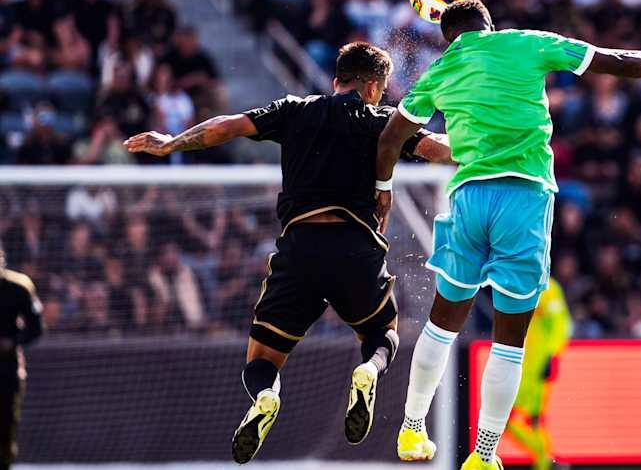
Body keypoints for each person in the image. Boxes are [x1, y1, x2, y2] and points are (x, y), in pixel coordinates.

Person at [375, 0, 641, 470]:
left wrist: (382, 189)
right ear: (489, 26)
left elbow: (391, 138)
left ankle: (412, 428)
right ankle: (485, 454)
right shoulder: (526, 43)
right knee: (509, 340)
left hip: (468, 198)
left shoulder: (438, 71)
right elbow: (613, 61)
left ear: (447, 37)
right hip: (525, 198)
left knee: (441, 324)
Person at [124, 42, 451, 463]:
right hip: (357, 247)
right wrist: (490, 142)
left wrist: (170, 143)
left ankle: (264, 398)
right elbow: (438, 150)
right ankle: (368, 371)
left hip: (300, 248)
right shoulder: (381, 121)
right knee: (380, 335)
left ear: (336, 82)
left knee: (261, 359)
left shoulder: (294, 109)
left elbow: (228, 125)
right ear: (373, 88)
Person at [506, 278, 572, 470]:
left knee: (511, 419)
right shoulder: (515, 281)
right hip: (520, 363)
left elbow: (561, 325)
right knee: (531, 421)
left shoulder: (548, 288)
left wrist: (553, 355)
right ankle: (545, 460)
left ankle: (544, 459)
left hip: (535, 369)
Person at [0, 248, 43, 470]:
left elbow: (36, 328)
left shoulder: (19, 287)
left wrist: (12, 341)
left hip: (7, 371)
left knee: (6, 427)